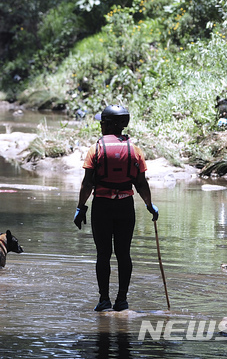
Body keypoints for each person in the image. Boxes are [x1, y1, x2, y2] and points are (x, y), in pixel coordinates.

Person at [73, 105, 159, 312]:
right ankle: (122, 300)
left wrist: (81, 207)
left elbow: (87, 184)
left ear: (110, 125)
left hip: (102, 207)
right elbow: (141, 183)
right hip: (125, 207)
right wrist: (149, 205)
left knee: (103, 254)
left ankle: (104, 300)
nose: (101, 126)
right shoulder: (135, 151)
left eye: (102, 122)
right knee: (124, 254)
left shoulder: (96, 150)